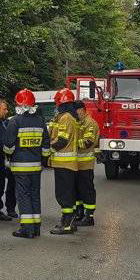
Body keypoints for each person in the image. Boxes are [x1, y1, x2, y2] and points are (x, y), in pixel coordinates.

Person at [3, 89, 51, 238]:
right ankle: (36, 227)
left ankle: (27, 229)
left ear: (19, 104)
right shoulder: (41, 121)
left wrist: (8, 157)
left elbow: (9, 146)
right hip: (36, 166)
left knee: (23, 196)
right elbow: (46, 145)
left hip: (20, 166)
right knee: (34, 195)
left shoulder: (14, 121)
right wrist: (42, 161)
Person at [48, 89, 80, 235]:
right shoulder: (69, 117)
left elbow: (62, 140)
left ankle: (66, 225)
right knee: (67, 194)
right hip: (67, 163)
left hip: (64, 162)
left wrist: (49, 148)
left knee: (63, 194)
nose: (56, 105)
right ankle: (68, 222)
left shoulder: (66, 118)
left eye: (57, 102)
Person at [73, 100, 99, 227]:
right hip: (76, 163)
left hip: (86, 164)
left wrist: (71, 144)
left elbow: (88, 142)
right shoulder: (78, 122)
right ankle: (80, 213)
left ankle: (89, 217)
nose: (74, 114)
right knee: (78, 190)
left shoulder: (90, 123)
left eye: (76, 111)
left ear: (82, 110)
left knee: (87, 190)